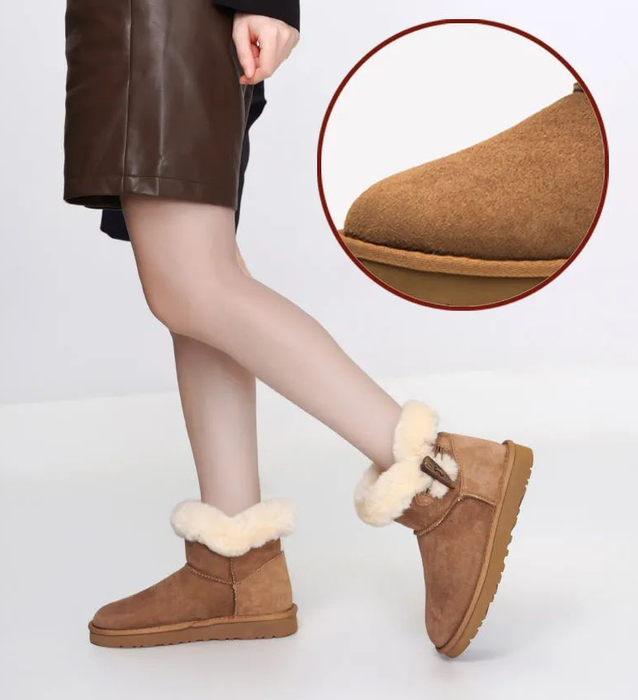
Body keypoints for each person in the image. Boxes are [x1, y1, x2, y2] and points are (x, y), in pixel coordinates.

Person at [64, 0, 533, 658]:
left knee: (195, 284)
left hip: (164, 16)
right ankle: (236, 566)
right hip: (127, 20)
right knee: (197, 285)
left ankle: (444, 481)